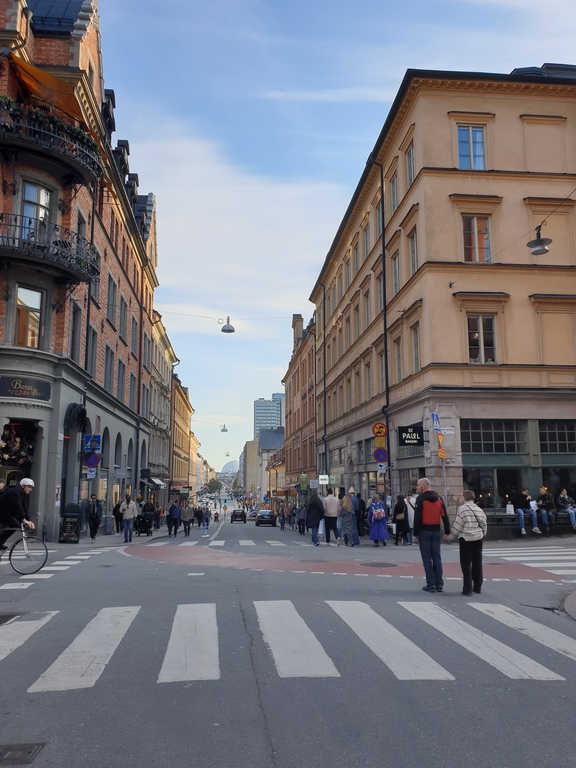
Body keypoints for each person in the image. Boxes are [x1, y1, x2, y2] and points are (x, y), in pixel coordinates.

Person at [445, 489, 487, 596]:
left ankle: (467, 588)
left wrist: (451, 536)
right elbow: (484, 523)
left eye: (461, 496)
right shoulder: (478, 509)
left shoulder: (462, 509)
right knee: (477, 563)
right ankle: (477, 586)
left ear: (465, 497)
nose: (459, 498)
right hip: (478, 538)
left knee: (466, 564)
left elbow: (458, 524)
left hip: (466, 538)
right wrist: (483, 533)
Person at [413, 477, 450, 593]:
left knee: (427, 558)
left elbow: (417, 517)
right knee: (437, 557)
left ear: (423, 487)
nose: (416, 487)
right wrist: (447, 532)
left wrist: (415, 533)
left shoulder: (421, 499)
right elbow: (444, 516)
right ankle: (439, 583)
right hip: (436, 530)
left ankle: (431, 583)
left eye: (418, 485)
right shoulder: (439, 498)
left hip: (424, 530)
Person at [0, 478, 35, 551]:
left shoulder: (23, 493)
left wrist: (29, 520)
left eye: (31, 487)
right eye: (29, 487)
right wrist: (24, 520)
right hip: (2, 512)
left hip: (8, 513)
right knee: (15, 525)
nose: (30, 489)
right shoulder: (15, 492)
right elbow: (18, 506)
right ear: (23, 486)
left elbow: (25, 507)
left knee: (15, 524)